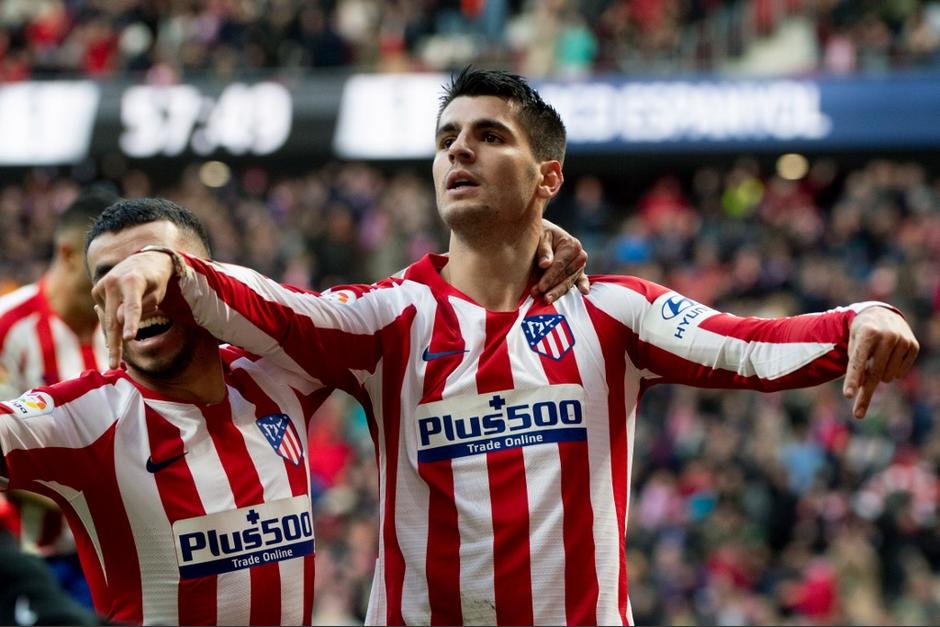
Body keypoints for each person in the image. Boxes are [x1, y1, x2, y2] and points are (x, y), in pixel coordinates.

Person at [94, 68, 919, 626]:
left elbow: (744, 344)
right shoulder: (389, 318)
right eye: (449, 135)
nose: (459, 148)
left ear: (547, 176)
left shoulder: (614, 314)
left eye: (489, 135)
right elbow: (273, 306)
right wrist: (167, 265)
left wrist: (858, 319)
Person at [0, 196, 587, 626]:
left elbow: (409, 300)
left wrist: (517, 241)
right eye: (110, 281)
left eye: (153, 272)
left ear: (204, 282)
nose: (135, 295)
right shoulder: (81, 417)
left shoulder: (281, 375)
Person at [0, 184, 118, 608]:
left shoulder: (127, 325)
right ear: (69, 255)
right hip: (35, 561)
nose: (120, 279)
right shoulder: (8, 327)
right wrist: (94, 489)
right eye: (106, 266)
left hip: (121, 558)